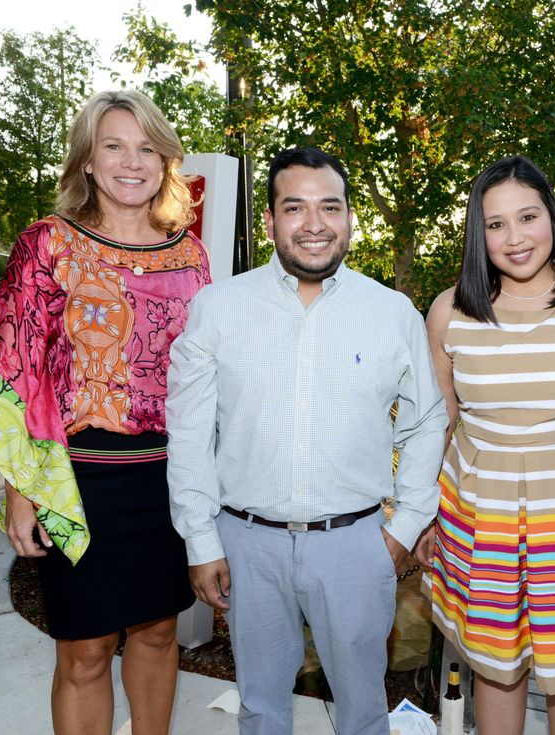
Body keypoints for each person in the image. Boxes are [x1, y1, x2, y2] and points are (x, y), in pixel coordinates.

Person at [165, 146, 448, 735]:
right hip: (246, 545)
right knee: (261, 708)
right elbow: (189, 431)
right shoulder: (217, 309)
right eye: (295, 208)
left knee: (364, 710)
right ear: (270, 220)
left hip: (356, 547)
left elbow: (425, 422)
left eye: (330, 207)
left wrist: (402, 529)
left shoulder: (391, 313)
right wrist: (200, 539)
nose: (314, 223)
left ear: (349, 218)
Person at [0, 90, 211, 733]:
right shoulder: (47, 244)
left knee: (159, 634)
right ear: (87, 161)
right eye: (114, 146)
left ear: (165, 162)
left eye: (147, 148)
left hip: (169, 479)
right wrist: (21, 489)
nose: (133, 161)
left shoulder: (191, 255)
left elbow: (209, 379)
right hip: (76, 479)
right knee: (84, 650)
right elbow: (11, 374)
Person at [414, 155, 555, 735]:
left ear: (553, 218)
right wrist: (417, 516)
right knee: (495, 665)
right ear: (478, 232)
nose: (514, 238)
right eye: (496, 224)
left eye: (528, 217)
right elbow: (434, 427)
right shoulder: (450, 312)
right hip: (479, 514)